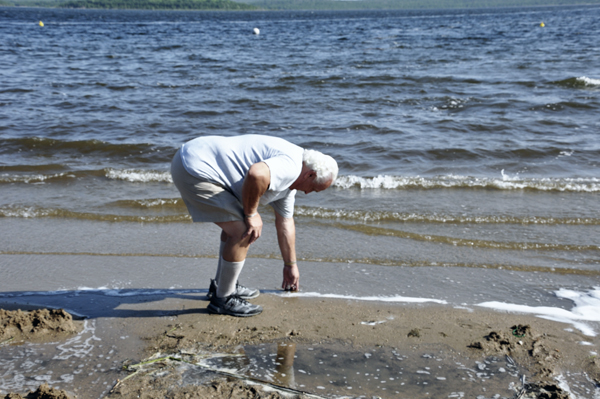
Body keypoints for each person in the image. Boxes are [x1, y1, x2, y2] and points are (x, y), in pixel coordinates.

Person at [170, 134, 338, 317]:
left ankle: (222, 286)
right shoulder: (291, 166)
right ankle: (223, 300)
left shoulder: (290, 184)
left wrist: (290, 265)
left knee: (234, 226)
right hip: (195, 167)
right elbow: (256, 173)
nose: (307, 193)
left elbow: (285, 224)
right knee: (243, 231)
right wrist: (252, 214)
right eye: (313, 188)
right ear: (310, 174)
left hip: (194, 158)